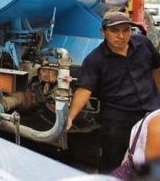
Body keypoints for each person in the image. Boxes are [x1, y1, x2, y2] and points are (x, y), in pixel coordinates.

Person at [66, 11, 160, 174]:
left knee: (152, 159)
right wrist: (69, 117)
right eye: (114, 31)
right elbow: (84, 89)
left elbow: (156, 70)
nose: (121, 36)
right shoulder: (95, 59)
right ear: (103, 32)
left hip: (150, 111)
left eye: (126, 30)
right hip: (117, 117)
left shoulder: (143, 44)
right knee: (111, 162)